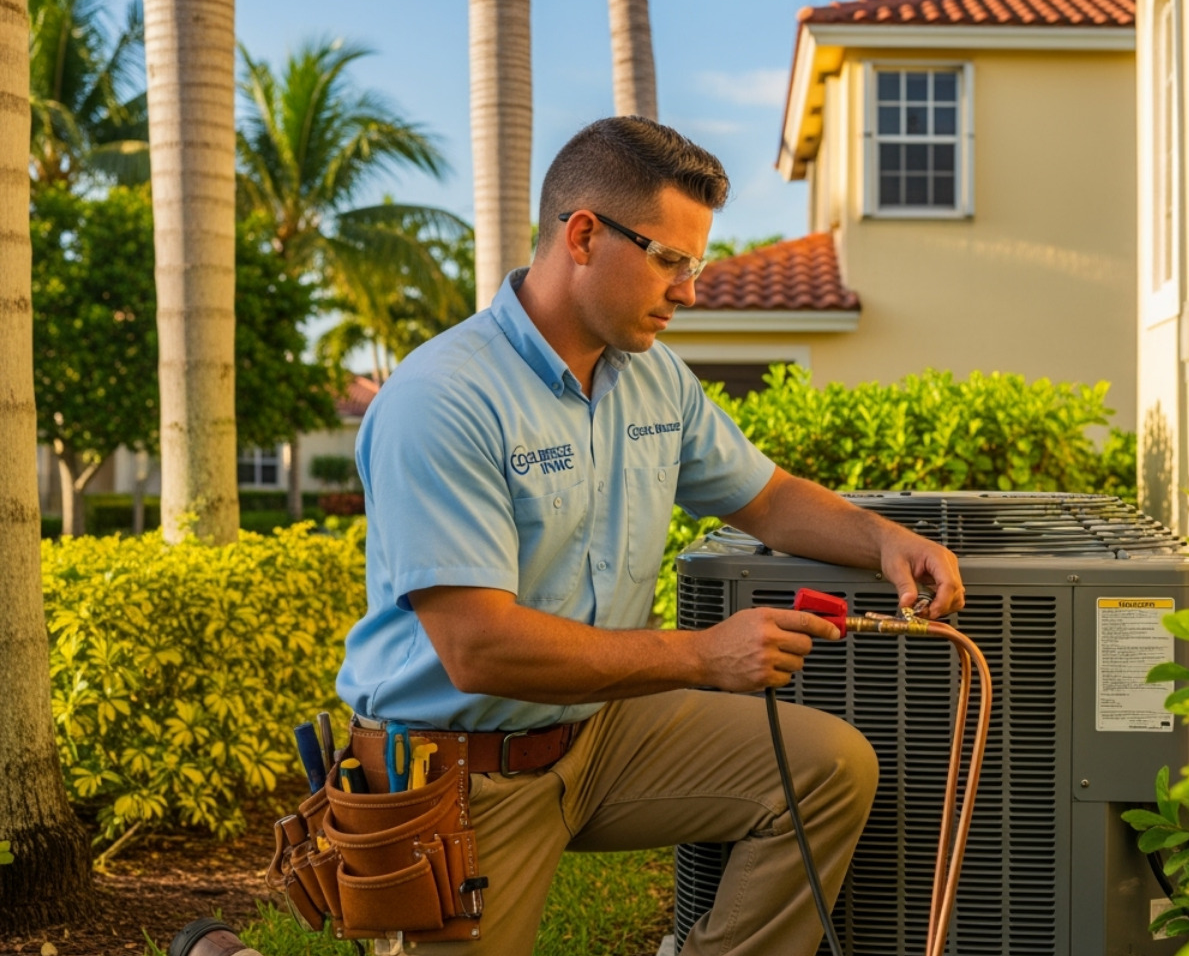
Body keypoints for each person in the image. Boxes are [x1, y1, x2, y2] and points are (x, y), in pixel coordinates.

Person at [336, 116, 964, 956]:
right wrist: (705, 657)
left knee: (825, 768)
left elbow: (768, 499)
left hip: (600, 733)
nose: (689, 290)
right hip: (462, 771)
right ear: (585, 236)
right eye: (670, 260)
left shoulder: (652, 377)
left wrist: (882, 539)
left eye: (694, 264)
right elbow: (478, 649)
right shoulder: (443, 398)